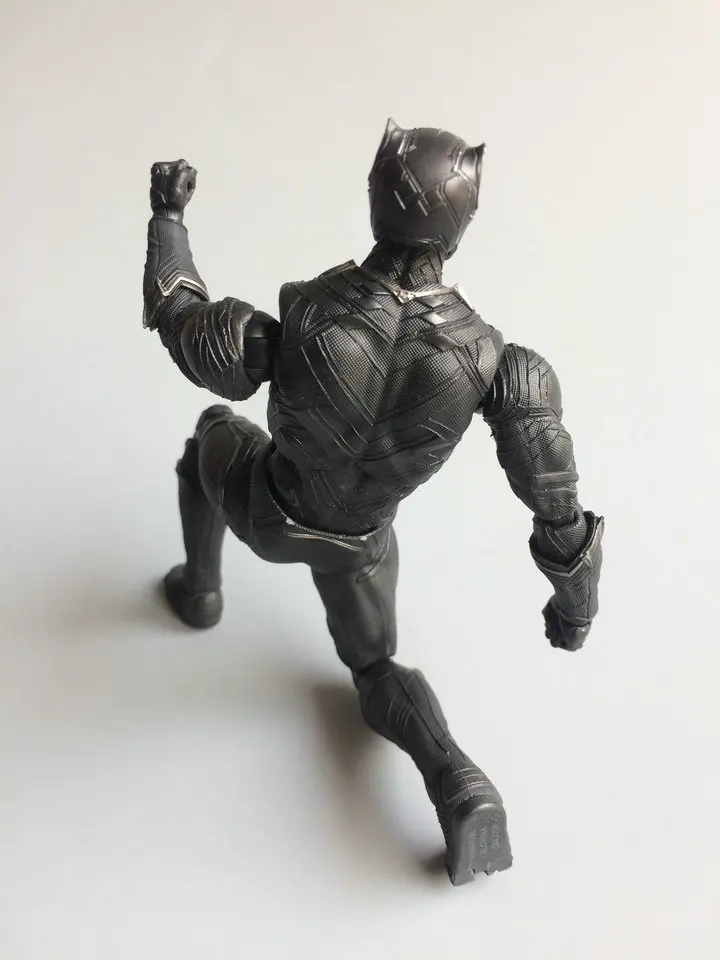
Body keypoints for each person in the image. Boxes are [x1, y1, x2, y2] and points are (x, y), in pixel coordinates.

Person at [141, 119, 604, 885]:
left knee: (209, 439)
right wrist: (576, 607)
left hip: (269, 509)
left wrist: (168, 217)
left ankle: (199, 590)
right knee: (376, 667)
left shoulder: (305, 315)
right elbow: (555, 499)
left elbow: (181, 318)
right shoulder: (497, 364)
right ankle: (456, 777)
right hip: (360, 545)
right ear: (463, 223)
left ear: (374, 201)